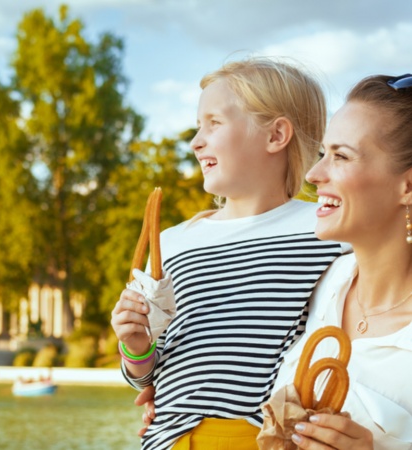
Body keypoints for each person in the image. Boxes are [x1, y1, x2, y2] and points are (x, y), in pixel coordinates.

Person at [111, 57, 349, 450]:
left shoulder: (328, 232)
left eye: (214, 123)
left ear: (276, 136)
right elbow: (149, 375)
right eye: (197, 126)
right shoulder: (173, 242)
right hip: (169, 440)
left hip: (259, 438)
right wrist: (135, 346)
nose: (195, 141)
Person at [268, 73, 412, 449]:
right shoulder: (321, 282)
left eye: (341, 156)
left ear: (408, 186)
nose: (314, 175)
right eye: (321, 155)